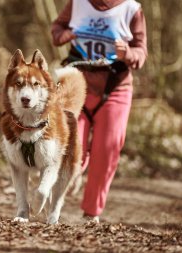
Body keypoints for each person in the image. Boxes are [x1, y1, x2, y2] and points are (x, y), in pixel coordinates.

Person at [51, 0, 147, 222]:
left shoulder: (132, 9)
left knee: (107, 150)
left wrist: (128, 54)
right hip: (77, 84)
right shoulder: (78, 3)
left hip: (115, 87)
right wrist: (64, 36)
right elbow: (57, 30)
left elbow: (141, 53)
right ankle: (73, 173)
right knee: (70, 145)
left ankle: (91, 213)